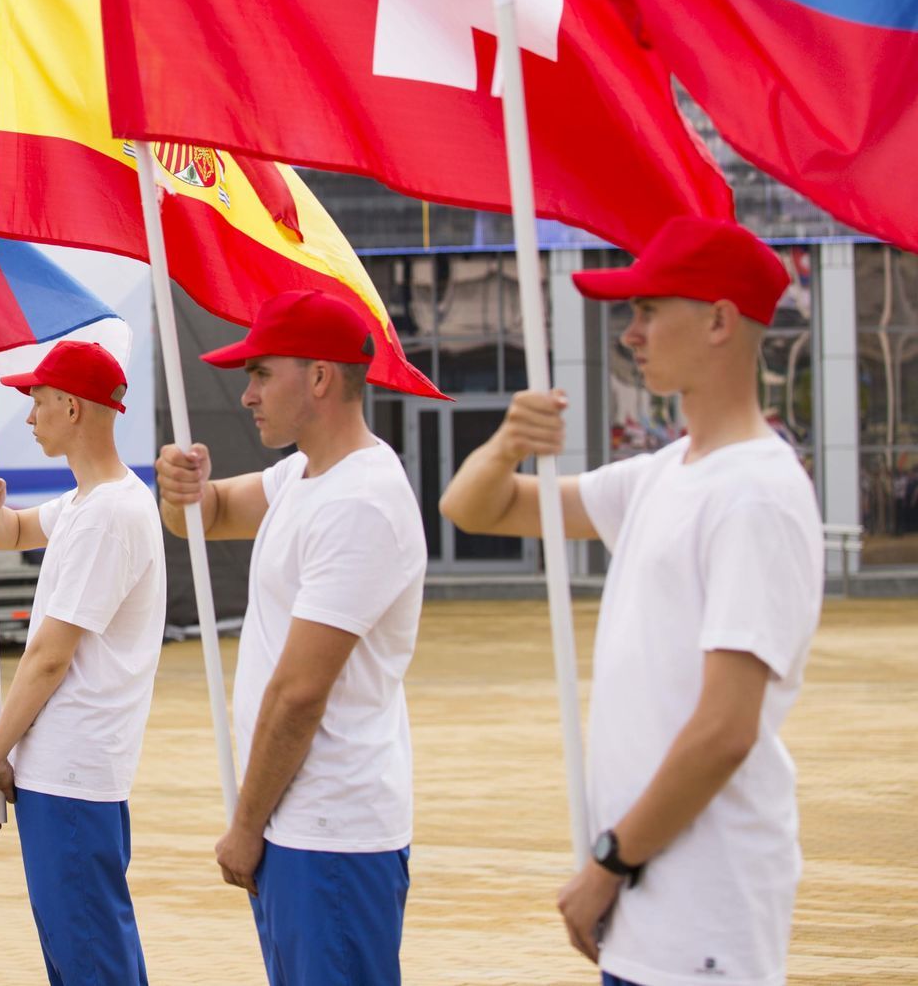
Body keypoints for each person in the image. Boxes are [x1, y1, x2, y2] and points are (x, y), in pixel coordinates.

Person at [439, 216, 824, 986]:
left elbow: (725, 729)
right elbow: (474, 507)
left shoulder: (755, 492)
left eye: (649, 309)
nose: (630, 332)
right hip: (651, 908)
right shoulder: (663, 473)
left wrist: (609, 863)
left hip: (704, 915)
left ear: (719, 320)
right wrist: (508, 443)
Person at [154, 291, 426, 986]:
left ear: (320, 377)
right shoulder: (304, 476)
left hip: (330, 832)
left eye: (261, 374)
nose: (247, 394)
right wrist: (181, 490)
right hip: (304, 826)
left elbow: (300, 693)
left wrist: (246, 826)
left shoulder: (358, 501)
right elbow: (208, 515)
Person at [0, 341, 163, 986]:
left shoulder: (108, 514)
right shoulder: (89, 502)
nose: (30, 417)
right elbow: (14, 532)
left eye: (39, 402)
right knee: (85, 947)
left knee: (88, 956)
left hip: (73, 766)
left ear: (73, 408)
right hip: (67, 765)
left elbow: (49, 657)